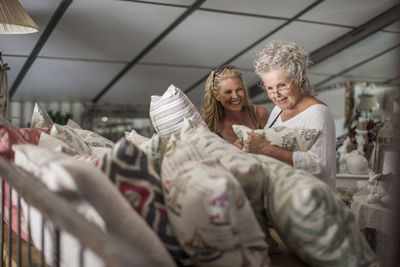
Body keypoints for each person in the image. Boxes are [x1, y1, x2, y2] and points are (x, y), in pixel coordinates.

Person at [244, 40, 336, 190]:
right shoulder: (277, 110)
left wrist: (267, 149)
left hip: (312, 203)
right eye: (269, 88)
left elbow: (320, 165)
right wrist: (248, 145)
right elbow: (265, 143)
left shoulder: (318, 113)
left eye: (282, 85)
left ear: (299, 80)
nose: (276, 95)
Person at [201, 64, 269, 145]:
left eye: (239, 89)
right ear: (216, 96)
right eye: (228, 92)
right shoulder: (210, 127)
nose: (235, 96)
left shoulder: (259, 113)